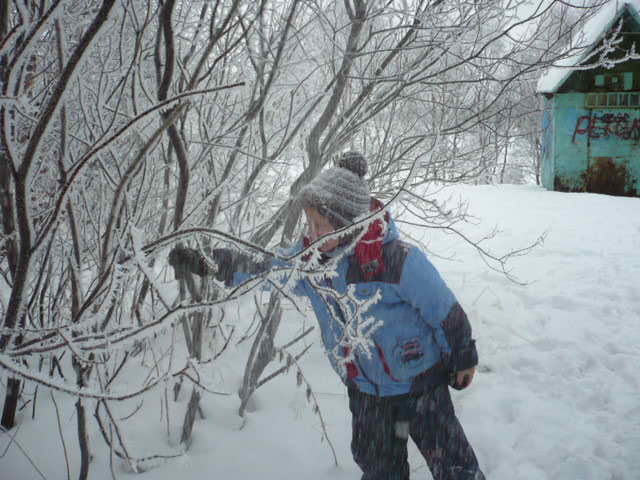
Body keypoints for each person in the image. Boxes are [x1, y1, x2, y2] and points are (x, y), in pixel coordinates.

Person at [169, 152, 485, 480]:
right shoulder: (311, 264)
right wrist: (211, 263)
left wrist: (463, 357)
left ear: (348, 224)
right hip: (366, 391)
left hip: (421, 382)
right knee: (378, 467)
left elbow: (444, 310)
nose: (312, 232)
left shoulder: (398, 261)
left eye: (321, 224)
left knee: (451, 460)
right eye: (310, 223)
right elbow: (265, 268)